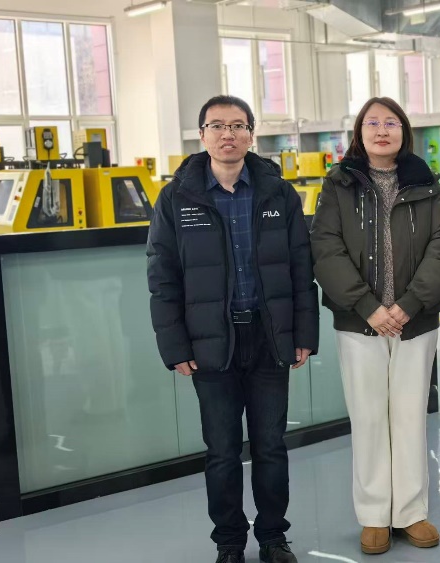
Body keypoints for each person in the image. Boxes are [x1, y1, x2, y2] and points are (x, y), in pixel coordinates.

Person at [146, 95, 317, 563]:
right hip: (211, 344)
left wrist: (304, 334)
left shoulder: (278, 194)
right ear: (202, 135)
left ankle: (273, 537)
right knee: (222, 451)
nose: (228, 134)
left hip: (268, 338)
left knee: (271, 447)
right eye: (218, 126)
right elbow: (162, 277)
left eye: (238, 126)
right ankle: (229, 543)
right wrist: (175, 345)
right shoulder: (177, 198)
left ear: (251, 134)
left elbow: (301, 269)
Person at [310, 97, 440, 555]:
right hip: (360, 322)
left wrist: (409, 304)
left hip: (415, 320)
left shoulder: (425, 183)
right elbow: (326, 248)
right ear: (359, 133)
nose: (381, 130)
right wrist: (368, 306)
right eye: (372, 123)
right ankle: (375, 515)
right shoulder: (338, 183)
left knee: (411, 415)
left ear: (403, 131)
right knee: (370, 417)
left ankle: (411, 512)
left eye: (390, 122)